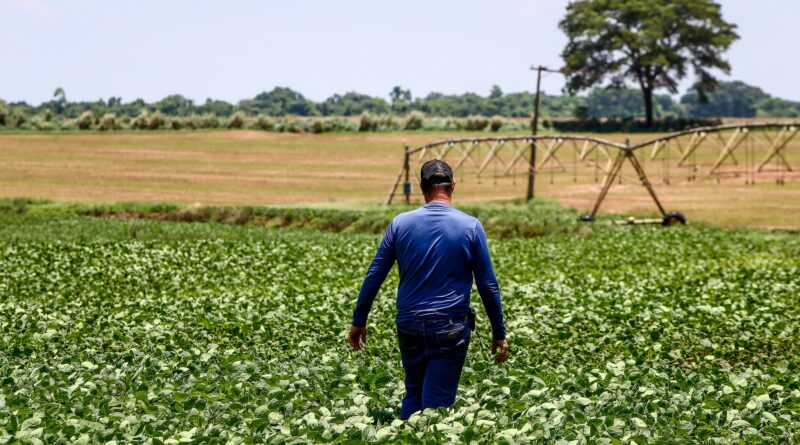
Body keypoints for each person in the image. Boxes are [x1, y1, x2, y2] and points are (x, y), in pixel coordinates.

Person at [348, 159, 508, 420]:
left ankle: (405, 433)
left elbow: (375, 274)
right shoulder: (470, 226)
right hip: (450, 327)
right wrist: (499, 333)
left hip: (409, 324)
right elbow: (487, 285)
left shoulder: (400, 224)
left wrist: (359, 321)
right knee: (436, 406)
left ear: (421, 187)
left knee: (414, 393)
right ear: (453, 185)